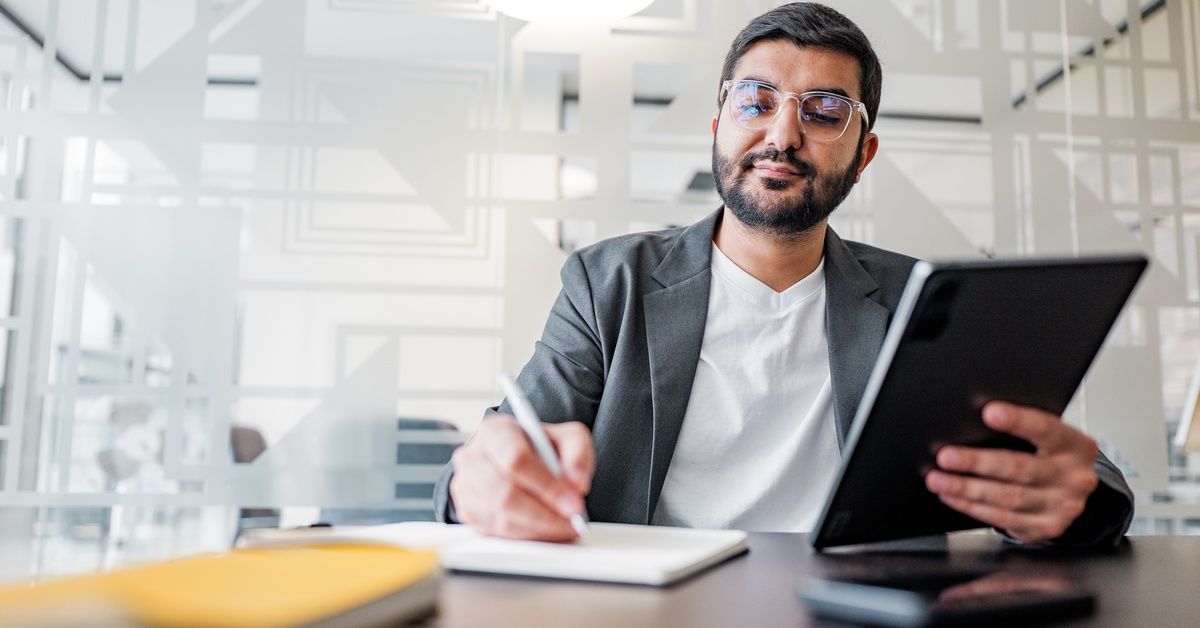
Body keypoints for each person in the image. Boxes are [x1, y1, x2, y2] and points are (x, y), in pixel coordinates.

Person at [434, 2, 1133, 546]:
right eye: (756, 102)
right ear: (717, 129)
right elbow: (502, 454)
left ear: (864, 154)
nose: (781, 136)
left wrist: (1072, 501)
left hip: (855, 604)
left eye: (825, 112)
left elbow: (1065, 468)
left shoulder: (920, 300)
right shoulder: (608, 281)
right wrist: (481, 483)